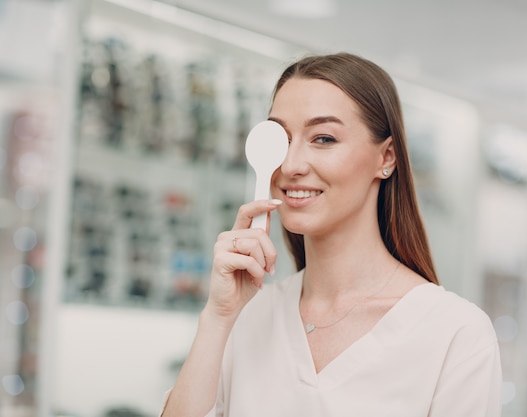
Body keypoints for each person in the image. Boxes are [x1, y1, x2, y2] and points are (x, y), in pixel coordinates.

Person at [160, 52, 502, 417]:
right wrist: (218, 317)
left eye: (323, 138)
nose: (291, 166)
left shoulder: (456, 334)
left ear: (386, 158)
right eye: (281, 139)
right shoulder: (246, 315)